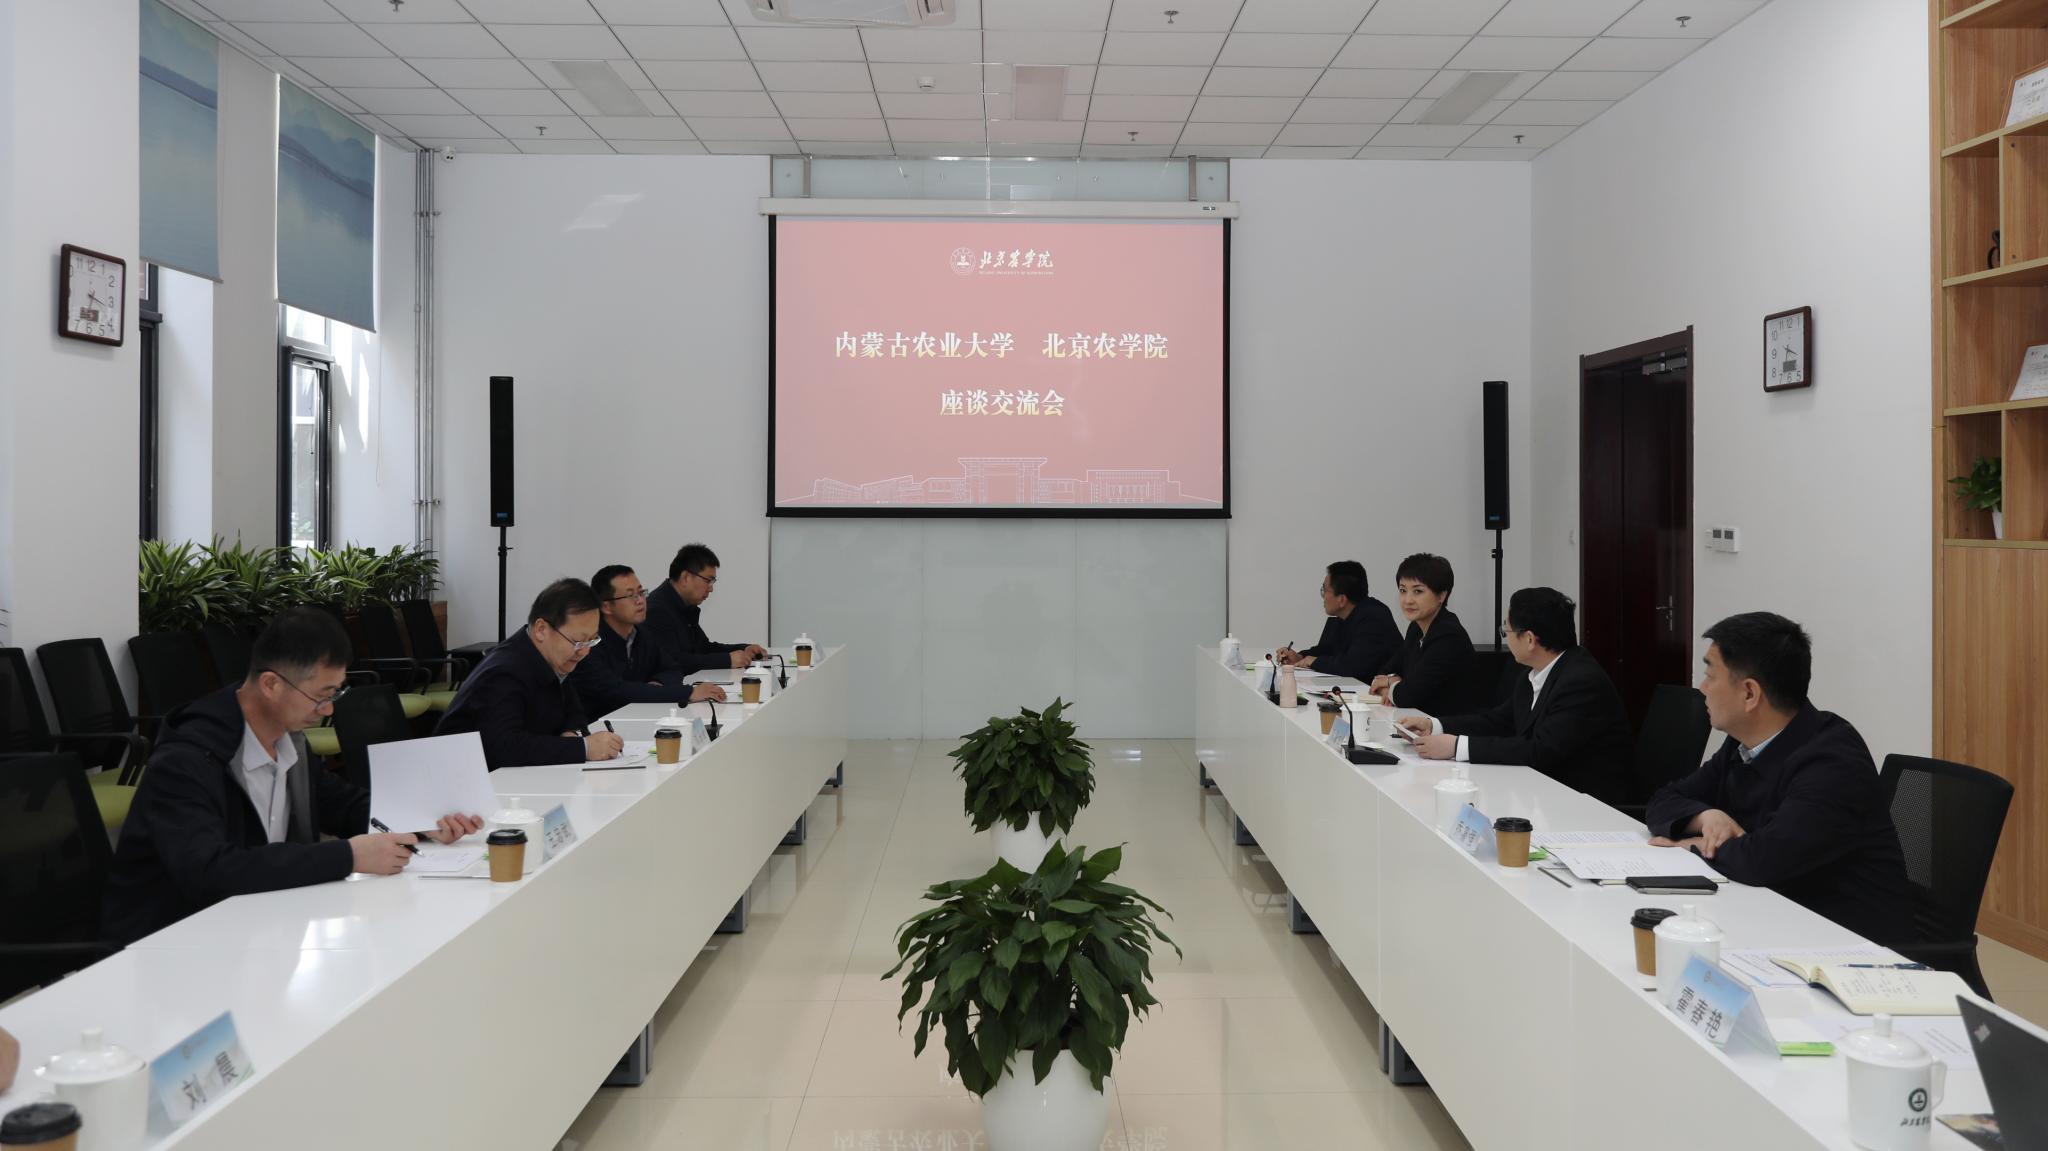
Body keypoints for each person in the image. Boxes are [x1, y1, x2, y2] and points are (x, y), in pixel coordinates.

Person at [101, 609, 483, 947]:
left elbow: (340, 804)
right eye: (321, 695)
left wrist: (420, 822)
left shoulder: (289, 742)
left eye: (335, 693)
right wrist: (348, 856)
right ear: (271, 684)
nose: (328, 709)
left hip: (258, 927)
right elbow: (210, 870)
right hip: (171, 943)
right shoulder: (188, 759)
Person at [1645, 613, 1911, 943]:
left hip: (1850, 944)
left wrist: (1689, 845)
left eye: (1710, 675)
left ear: (1749, 694)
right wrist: (1707, 817)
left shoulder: (1832, 760)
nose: (1703, 688)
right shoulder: (1742, 744)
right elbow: (1662, 802)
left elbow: (1764, 860)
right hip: (1776, 919)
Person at [1397, 587, 1632, 804]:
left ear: (1529, 640)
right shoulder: (1535, 671)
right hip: (1543, 791)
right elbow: (1500, 720)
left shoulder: (1580, 682)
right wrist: (1435, 726)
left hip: (1586, 804)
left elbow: (1540, 750)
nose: (1506, 638)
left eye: (1506, 630)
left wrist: (1457, 747)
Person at [436, 579, 625, 769]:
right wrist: (583, 748)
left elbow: (573, 713)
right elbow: (503, 747)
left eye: (591, 640)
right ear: (541, 629)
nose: (584, 651)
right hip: (459, 776)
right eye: (578, 641)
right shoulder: (505, 671)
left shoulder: (554, 658)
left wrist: (571, 732)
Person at [570, 564, 728, 717]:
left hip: (637, 718)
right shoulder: (590, 643)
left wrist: (658, 684)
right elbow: (616, 690)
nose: (640, 601)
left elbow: (672, 668)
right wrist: (688, 692)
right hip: (597, 726)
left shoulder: (642, 634)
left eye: (641, 592)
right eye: (631, 596)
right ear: (606, 607)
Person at [1368, 553, 1474, 714]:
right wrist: (1393, 682)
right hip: (1416, 718)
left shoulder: (1449, 636)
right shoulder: (1416, 628)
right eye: (1403, 590)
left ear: (1441, 595)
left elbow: (1406, 697)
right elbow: (1383, 673)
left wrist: (1391, 684)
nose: (1408, 600)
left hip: (1445, 724)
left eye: (1417, 591)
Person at [645, 543, 766, 674]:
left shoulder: (685, 605)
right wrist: (727, 660)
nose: (711, 588)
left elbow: (703, 648)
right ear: (686, 577)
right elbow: (673, 661)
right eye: (708, 580)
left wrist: (744, 649)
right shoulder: (656, 610)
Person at [1275, 560, 1402, 682]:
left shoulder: (1373, 617)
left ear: (1342, 600)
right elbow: (1326, 650)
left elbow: (1352, 666)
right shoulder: (1345, 615)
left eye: (1325, 590)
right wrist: (1300, 657)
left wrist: (1313, 661)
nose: (1323, 596)